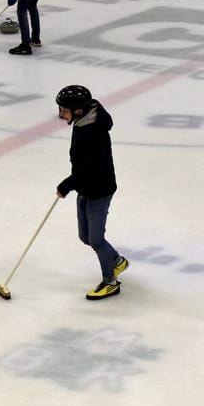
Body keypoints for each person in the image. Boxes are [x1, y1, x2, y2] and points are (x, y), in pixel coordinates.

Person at [54, 84, 128, 301]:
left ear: (78, 110)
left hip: (99, 190)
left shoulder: (92, 131)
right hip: (85, 187)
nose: (61, 113)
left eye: (64, 109)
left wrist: (67, 184)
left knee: (96, 239)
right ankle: (116, 261)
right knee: (85, 236)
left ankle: (110, 281)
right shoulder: (85, 119)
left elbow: (89, 169)